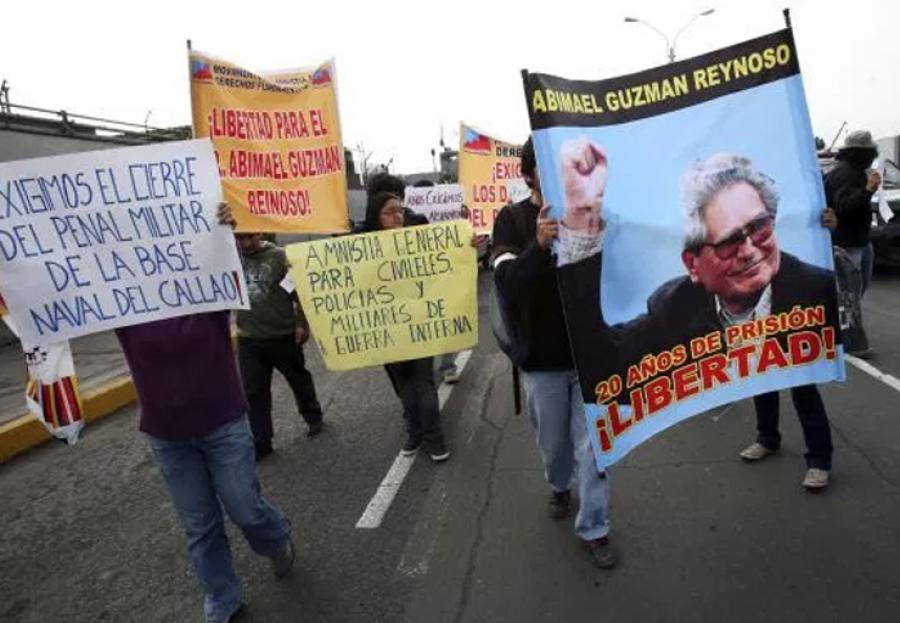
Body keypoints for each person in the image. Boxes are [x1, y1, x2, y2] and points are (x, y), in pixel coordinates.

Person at [555, 140, 838, 490]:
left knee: (800, 387)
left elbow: (846, 312)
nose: (750, 251)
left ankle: (820, 458)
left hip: (795, 343)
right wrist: (582, 221)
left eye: (760, 227)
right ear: (692, 264)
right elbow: (602, 365)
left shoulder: (814, 288)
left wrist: (826, 226)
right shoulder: (674, 309)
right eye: (729, 241)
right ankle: (768, 437)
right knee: (761, 380)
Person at [118, 204, 294, 623]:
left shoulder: (209, 291)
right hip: (167, 436)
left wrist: (221, 232)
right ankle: (223, 599)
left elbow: (228, 267)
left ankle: (277, 537)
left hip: (223, 424)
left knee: (245, 509)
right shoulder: (123, 304)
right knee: (201, 526)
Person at [491, 136, 615, 569]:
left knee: (595, 449)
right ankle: (558, 486)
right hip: (543, 361)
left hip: (591, 357)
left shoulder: (597, 209)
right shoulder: (511, 220)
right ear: (528, 175)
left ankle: (595, 527)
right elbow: (506, 285)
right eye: (546, 164)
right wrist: (538, 248)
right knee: (556, 446)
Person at [362, 191, 450, 461]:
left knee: (423, 382)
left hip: (418, 323)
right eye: (389, 212)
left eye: (400, 210)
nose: (397, 216)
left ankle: (434, 438)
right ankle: (414, 432)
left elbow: (446, 258)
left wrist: (466, 243)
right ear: (376, 216)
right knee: (404, 386)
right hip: (387, 329)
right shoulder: (361, 246)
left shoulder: (416, 241)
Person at [235, 232, 324, 460]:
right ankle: (261, 440)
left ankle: (313, 416)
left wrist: (301, 323)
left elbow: (299, 293)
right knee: (254, 391)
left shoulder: (279, 258)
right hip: (249, 338)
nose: (245, 244)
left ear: (260, 233)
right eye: (239, 238)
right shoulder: (231, 256)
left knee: (298, 379)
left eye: (249, 238)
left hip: (282, 336)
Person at [824, 130, 881, 356]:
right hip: (848, 242)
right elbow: (844, 205)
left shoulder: (851, 171)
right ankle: (852, 341)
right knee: (851, 292)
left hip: (856, 240)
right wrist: (867, 191)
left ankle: (846, 333)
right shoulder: (847, 174)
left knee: (854, 290)